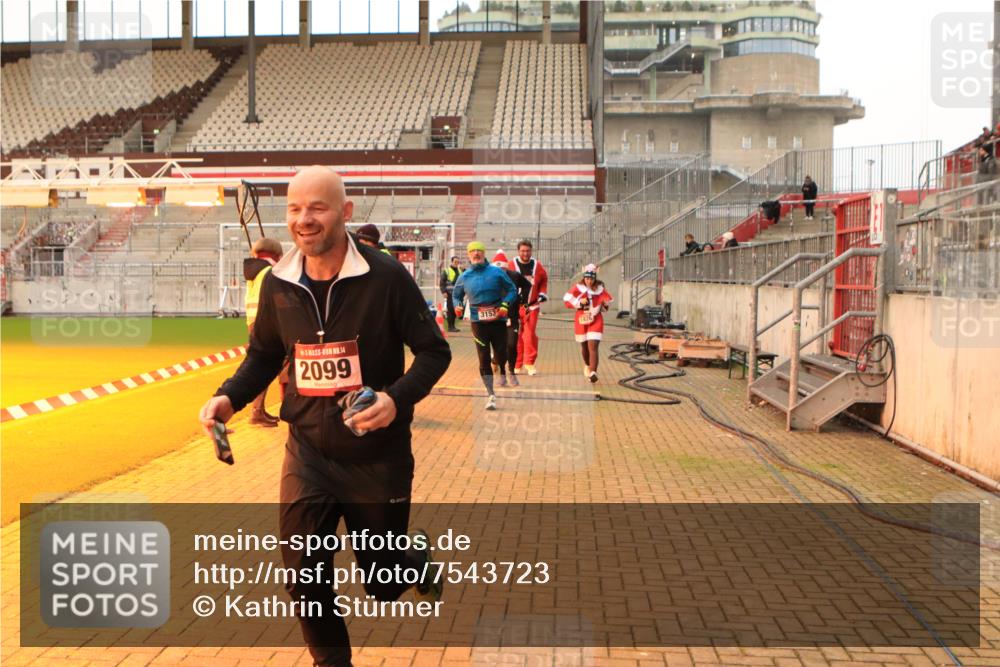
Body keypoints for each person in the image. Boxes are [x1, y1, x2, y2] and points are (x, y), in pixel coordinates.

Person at [198, 166, 451, 667]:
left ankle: (411, 559)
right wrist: (228, 398)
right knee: (303, 578)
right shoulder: (277, 281)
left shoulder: (385, 277)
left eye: (317, 207)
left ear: (345, 212)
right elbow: (265, 354)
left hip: (376, 457)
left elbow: (433, 351)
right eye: (295, 209)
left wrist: (395, 400)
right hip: (308, 454)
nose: (304, 219)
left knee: (383, 584)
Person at [452, 240, 517, 410]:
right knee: (483, 357)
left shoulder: (496, 272)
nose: (476, 253)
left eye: (479, 250)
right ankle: (491, 394)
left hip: (498, 320)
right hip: (478, 322)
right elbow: (456, 295)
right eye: (472, 251)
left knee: (501, 355)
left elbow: (512, 290)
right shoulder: (464, 276)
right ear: (468, 255)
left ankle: (498, 362)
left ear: (484, 253)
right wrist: (457, 305)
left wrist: (505, 305)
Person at [243, 237, 284, 427]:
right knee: (270, 365)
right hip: (268, 322)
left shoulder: (254, 271)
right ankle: (257, 411)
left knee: (264, 363)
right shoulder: (270, 271)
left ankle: (258, 410)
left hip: (253, 321)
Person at [563, 263, 613, 383]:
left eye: (591, 279)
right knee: (584, 346)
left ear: (595, 278)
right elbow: (567, 301)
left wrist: (605, 305)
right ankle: (587, 364)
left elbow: (605, 305)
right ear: (584, 278)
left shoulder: (600, 289)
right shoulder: (578, 288)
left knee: (593, 345)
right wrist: (580, 302)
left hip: (596, 319)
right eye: (587, 278)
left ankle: (593, 372)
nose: (589, 281)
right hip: (582, 319)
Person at [490, 250, 532, 388]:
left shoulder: (514, 275)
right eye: (497, 270)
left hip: (512, 316)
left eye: (502, 269)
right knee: (499, 347)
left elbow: (527, 285)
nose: (500, 272)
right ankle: (502, 374)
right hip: (496, 317)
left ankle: (511, 372)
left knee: (512, 345)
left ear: (506, 268)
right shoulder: (489, 278)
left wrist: (522, 300)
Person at [508, 239, 548, 376]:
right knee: (516, 335)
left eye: (528, 251)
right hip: (515, 307)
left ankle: (529, 363)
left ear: (531, 251)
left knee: (529, 334)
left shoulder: (537, 265)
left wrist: (542, 293)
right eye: (523, 251)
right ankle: (517, 363)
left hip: (532, 306)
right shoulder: (511, 265)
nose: (525, 253)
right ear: (518, 251)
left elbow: (544, 280)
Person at [439, 255, 461, 333]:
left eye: (457, 262)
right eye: (455, 262)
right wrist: (443, 291)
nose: (456, 263)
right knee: (450, 310)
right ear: (451, 262)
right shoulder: (446, 271)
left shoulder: (460, 271)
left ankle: (453, 326)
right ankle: (450, 327)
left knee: (455, 310)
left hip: (457, 294)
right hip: (449, 293)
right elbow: (442, 282)